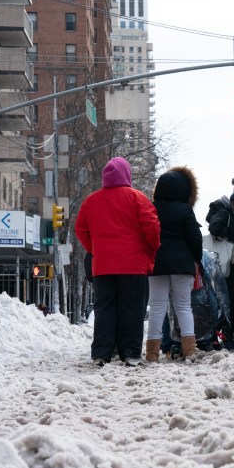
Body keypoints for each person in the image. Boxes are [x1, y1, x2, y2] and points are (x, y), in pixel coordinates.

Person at [75, 157, 160, 367]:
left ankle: (101, 353)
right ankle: (130, 352)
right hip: (133, 265)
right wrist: (150, 250)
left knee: (105, 308)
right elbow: (152, 228)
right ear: (127, 174)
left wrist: (95, 249)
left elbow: (80, 229)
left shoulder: (91, 201)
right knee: (132, 308)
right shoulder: (137, 198)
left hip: (103, 266)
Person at [145, 166, 202, 362]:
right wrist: (196, 259)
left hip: (157, 263)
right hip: (182, 265)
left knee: (157, 306)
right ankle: (190, 350)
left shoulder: (150, 208)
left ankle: (152, 353)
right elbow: (195, 238)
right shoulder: (185, 210)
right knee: (183, 306)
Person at [206, 187, 234, 350]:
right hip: (224, 267)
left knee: (227, 305)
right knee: (229, 305)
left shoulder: (229, 213)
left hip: (225, 266)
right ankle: (224, 340)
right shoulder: (226, 213)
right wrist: (232, 235)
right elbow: (214, 227)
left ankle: (218, 339)